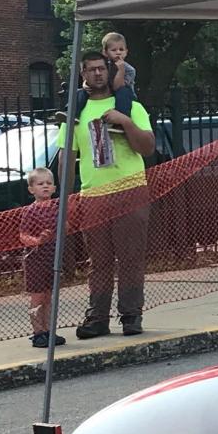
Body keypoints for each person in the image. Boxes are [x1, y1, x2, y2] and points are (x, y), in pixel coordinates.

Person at [60, 50, 156, 339]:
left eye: (101, 68)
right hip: (93, 195)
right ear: (83, 74)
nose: (97, 74)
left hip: (130, 190)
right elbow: (67, 157)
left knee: (130, 256)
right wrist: (65, 200)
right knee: (98, 260)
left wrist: (124, 121)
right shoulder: (75, 113)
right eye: (91, 70)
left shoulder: (130, 105)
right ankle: (98, 316)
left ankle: (131, 315)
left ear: (109, 70)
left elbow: (148, 147)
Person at [17, 166, 65, 348]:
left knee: (49, 296)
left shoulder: (57, 208)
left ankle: (49, 330)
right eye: (40, 184)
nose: (45, 186)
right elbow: (23, 235)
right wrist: (37, 240)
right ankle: (37, 333)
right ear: (32, 189)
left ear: (54, 188)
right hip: (35, 260)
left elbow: (65, 228)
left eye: (49, 183)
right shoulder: (30, 211)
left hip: (52, 259)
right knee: (38, 296)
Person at [65, 31, 136, 126]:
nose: (118, 53)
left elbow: (117, 87)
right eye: (114, 50)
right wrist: (85, 84)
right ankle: (72, 114)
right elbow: (92, 78)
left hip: (124, 94)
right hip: (108, 89)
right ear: (105, 52)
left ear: (126, 52)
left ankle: (120, 123)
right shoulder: (104, 64)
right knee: (80, 93)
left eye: (121, 49)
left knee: (122, 94)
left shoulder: (129, 70)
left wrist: (121, 70)